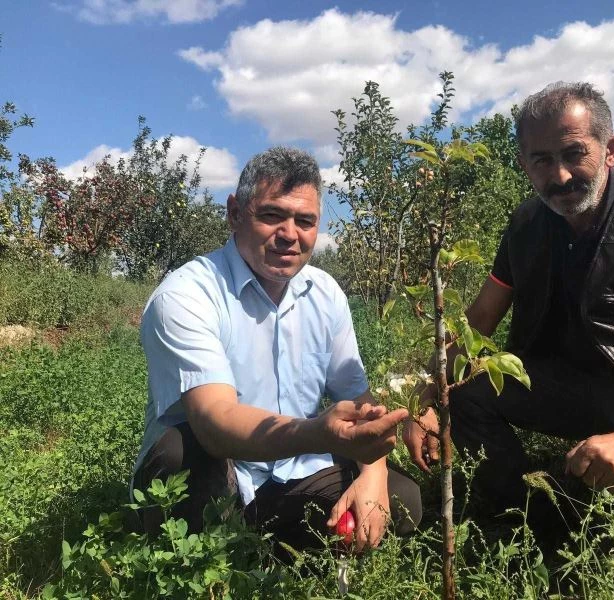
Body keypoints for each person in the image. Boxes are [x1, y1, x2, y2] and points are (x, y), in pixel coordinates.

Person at [403, 82, 614, 513]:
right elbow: (479, 320)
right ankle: (524, 511)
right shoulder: (526, 226)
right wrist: (424, 399)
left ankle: (602, 502)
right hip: (574, 382)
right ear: (524, 164)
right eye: (542, 159)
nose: (559, 176)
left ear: (611, 148)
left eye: (574, 153)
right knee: (463, 392)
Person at [132, 147, 421, 551]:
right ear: (235, 213)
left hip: (293, 468)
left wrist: (371, 475)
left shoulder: (324, 294)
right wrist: (319, 434)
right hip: (215, 466)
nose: (290, 234)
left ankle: (271, 547)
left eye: (305, 221)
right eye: (272, 215)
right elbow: (216, 423)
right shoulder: (187, 295)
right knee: (179, 452)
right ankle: (201, 557)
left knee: (403, 501)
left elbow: (358, 402)